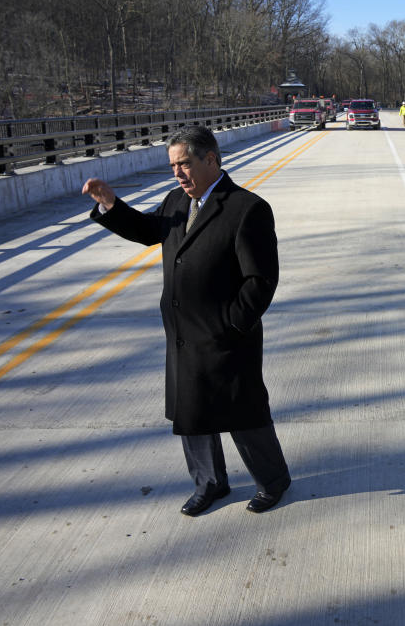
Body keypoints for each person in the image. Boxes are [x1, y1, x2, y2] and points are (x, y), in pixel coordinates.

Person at [82, 125, 291, 518]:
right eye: (173, 165)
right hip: (183, 334)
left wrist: (232, 324)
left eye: (185, 164)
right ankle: (209, 483)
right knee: (191, 413)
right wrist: (111, 204)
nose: (178, 173)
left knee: (244, 414)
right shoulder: (176, 201)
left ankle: (273, 481)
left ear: (210, 160)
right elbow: (148, 232)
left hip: (227, 336)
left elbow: (261, 280)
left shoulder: (247, 209)